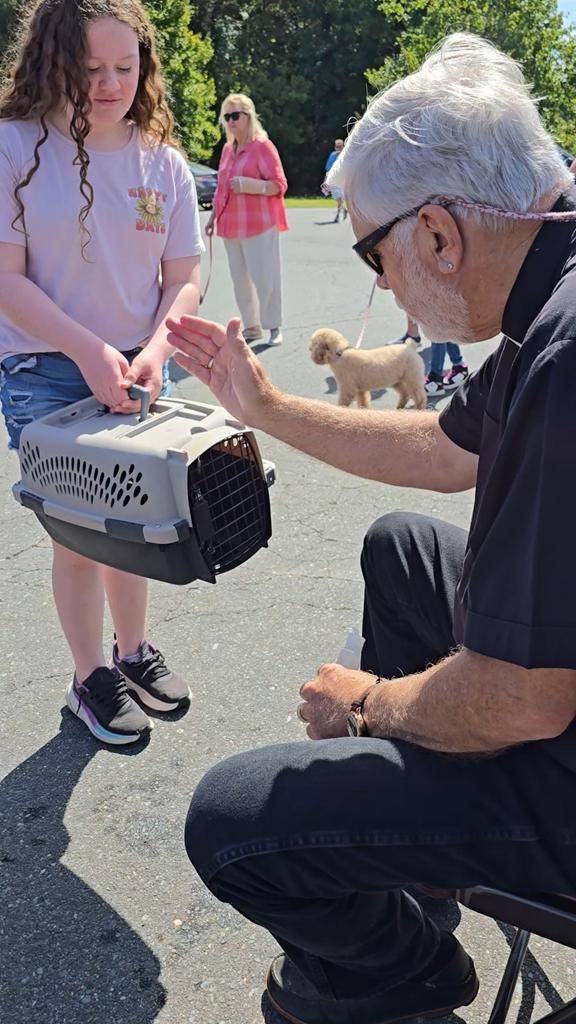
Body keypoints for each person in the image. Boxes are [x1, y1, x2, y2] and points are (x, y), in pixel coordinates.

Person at [174, 33, 576, 1024]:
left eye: (373, 251)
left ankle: (398, 974)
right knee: (400, 546)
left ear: (439, 234)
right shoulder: (548, 293)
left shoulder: (565, 362)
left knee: (228, 821)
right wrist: (264, 407)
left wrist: (370, 706)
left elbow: (524, 700)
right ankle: (420, 879)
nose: (381, 284)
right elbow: (445, 444)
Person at [0, 0, 204, 746]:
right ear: (53, 62)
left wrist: (158, 348)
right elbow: (5, 276)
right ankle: (90, 676)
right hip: (47, 369)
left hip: (143, 369)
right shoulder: (14, 145)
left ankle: (133, 651)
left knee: (140, 523)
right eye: (90, 69)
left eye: (126, 66)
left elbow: (186, 272)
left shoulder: (163, 158)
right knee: (79, 534)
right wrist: (90, 349)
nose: (111, 83)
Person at [205, 94, 288, 347]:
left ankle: (273, 326)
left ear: (248, 116)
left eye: (235, 115)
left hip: (259, 224)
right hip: (230, 225)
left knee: (265, 279)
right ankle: (251, 327)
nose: (230, 121)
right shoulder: (228, 149)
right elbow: (222, 188)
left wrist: (251, 186)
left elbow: (279, 185)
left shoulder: (262, 146)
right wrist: (212, 217)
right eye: (226, 116)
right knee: (240, 281)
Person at [324, 138, 347, 222]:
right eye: (337, 147)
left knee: (340, 199)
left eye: (340, 146)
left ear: (343, 147)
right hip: (334, 180)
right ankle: (344, 210)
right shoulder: (333, 155)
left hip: (343, 180)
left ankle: (337, 216)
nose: (338, 148)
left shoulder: (346, 156)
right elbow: (327, 167)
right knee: (338, 199)